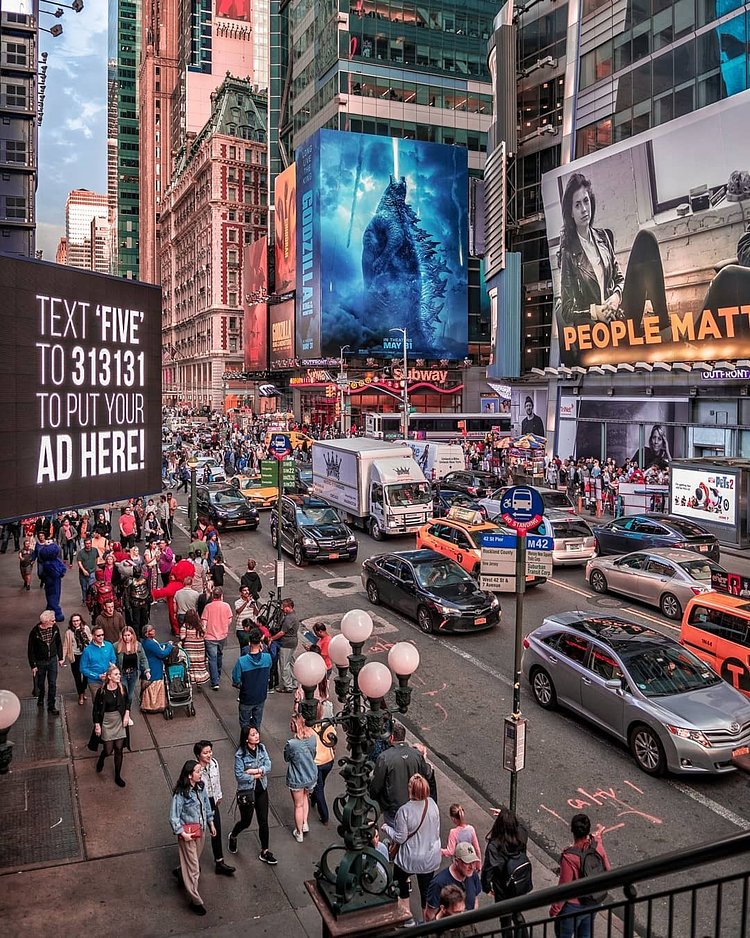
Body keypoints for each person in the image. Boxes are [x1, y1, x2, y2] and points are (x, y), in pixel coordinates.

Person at [557, 172, 667, 359]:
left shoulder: (603, 237)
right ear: (570, 212)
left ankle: (666, 327)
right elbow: (567, 310)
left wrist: (616, 297)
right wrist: (596, 312)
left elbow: (619, 279)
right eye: (577, 205)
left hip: (619, 317)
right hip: (596, 330)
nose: (584, 209)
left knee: (645, 238)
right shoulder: (568, 251)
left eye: (586, 201)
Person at [382, 773, 441, 922]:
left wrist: (386, 829)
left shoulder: (405, 811)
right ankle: (427, 923)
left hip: (410, 857)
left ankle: (406, 918)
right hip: (429, 857)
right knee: (426, 892)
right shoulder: (432, 805)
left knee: (400, 885)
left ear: (411, 790)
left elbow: (400, 837)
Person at [550, 813, 611, 938]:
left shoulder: (569, 857)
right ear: (588, 830)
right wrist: (598, 839)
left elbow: (564, 886)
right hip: (593, 901)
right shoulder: (597, 847)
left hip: (573, 906)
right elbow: (608, 869)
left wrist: (555, 909)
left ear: (572, 830)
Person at [169, 760, 216, 916]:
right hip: (188, 834)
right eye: (197, 771)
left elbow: (206, 807)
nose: (200, 773)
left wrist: (211, 824)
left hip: (200, 831)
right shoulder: (181, 793)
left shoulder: (201, 787)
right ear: (189, 775)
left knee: (193, 860)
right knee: (194, 868)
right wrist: (183, 834)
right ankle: (195, 901)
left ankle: (181, 871)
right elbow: (174, 817)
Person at [227, 725, 276, 865]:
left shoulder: (262, 748)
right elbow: (239, 776)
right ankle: (234, 835)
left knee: (263, 821)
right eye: (253, 734)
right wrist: (255, 776)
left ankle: (265, 851)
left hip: (262, 790)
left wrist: (254, 771)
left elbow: (268, 765)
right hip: (247, 792)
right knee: (246, 821)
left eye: (256, 733)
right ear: (246, 738)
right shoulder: (240, 754)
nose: (257, 736)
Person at [370, 721, 433, 826]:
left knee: (396, 833)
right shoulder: (416, 755)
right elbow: (425, 774)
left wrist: (374, 800)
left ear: (391, 738)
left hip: (394, 806)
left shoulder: (385, 757)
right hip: (415, 803)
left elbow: (376, 785)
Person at [481, 806, 531, 938]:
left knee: (505, 920)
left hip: (502, 886)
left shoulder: (495, 846)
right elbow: (520, 827)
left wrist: (486, 887)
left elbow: (488, 869)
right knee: (517, 913)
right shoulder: (521, 835)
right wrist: (507, 817)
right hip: (519, 882)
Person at [193, 740, 236, 876]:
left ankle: (219, 862)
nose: (209, 755)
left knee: (215, 830)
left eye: (210, 751)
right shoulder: (195, 769)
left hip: (212, 801)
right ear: (198, 755)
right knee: (197, 836)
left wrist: (219, 796)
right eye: (205, 753)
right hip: (199, 804)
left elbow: (216, 781)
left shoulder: (214, 764)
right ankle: (189, 866)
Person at [91, 663, 132, 787]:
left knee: (119, 749)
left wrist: (127, 714)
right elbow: (96, 709)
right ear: (109, 676)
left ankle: (118, 776)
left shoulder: (122, 688)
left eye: (119, 674)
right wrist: (97, 724)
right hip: (107, 722)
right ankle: (102, 758)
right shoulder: (102, 692)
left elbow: (128, 702)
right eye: (116, 674)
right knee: (108, 750)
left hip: (119, 720)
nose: (119, 676)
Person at [425, 841, 483, 921]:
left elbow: (475, 900)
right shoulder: (438, 883)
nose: (472, 867)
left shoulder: (473, 875)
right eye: (467, 863)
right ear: (456, 861)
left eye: (473, 862)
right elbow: (429, 914)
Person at [283, 712, 317, 843]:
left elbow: (286, 757)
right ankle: (304, 823)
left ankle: (299, 832)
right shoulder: (312, 738)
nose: (290, 725)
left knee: (298, 805)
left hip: (297, 777)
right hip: (310, 775)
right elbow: (314, 754)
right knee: (305, 798)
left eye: (292, 723)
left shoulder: (292, 743)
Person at [231, 627, 272, 732]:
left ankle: (246, 741)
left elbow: (235, 680)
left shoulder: (242, 661)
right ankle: (256, 737)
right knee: (257, 722)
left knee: (244, 723)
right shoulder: (267, 658)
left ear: (249, 642)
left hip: (246, 697)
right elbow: (269, 671)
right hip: (261, 696)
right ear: (260, 641)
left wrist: (241, 685)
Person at [28, 609, 64, 715]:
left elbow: (58, 643)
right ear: (46, 622)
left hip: (52, 660)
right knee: (41, 684)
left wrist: (60, 657)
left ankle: (51, 705)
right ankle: (40, 697)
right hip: (40, 662)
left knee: (52, 683)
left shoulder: (55, 629)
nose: (55, 622)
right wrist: (33, 665)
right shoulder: (35, 632)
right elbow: (31, 650)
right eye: (52, 621)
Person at [310, 697, 337, 825]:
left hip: (317, 762)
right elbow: (333, 742)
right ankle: (314, 799)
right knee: (321, 783)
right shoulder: (328, 725)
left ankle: (324, 815)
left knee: (319, 787)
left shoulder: (309, 730)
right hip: (329, 760)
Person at [201, 586, 233, 690]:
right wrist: (224, 627)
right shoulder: (226, 606)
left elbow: (204, 622)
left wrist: (204, 631)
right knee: (219, 654)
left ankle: (214, 681)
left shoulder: (208, 607)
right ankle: (218, 674)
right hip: (222, 635)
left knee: (212, 658)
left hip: (210, 636)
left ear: (213, 595)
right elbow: (229, 620)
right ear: (221, 596)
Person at [62, 612, 92, 706]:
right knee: (77, 677)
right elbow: (66, 646)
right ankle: (81, 695)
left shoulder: (86, 628)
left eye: (77, 620)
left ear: (80, 621)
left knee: (86, 675)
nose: (76, 623)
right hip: (75, 656)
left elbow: (91, 639)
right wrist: (62, 658)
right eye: (74, 621)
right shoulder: (69, 632)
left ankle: (83, 690)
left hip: (85, 654)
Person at [115, 626, 150, 705]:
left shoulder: (138, 645)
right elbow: (113, 660)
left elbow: (143, 659)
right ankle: (123, 712)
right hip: (122, 674)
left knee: (130, 696)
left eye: (128, 635)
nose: (127, 638)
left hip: (133, 674)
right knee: (124, 694)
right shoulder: (116, 646)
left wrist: (147, 670)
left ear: (132, 635)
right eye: (125, 635)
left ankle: (128, 712)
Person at [275, 598, 300, 693]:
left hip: (286, 643)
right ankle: (294, 682)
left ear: (289, 607)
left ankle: (287, 685)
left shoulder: (289, 618)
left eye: (284, 607)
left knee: (284, 664)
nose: (282, 608)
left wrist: (272, 638)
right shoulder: (293, 615)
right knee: (291, 662)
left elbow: (282, 632)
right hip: (293, 641)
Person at [180, 609, 211, 687]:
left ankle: (191, 680)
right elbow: (205, 635)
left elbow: (182, 636)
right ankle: (199, 682)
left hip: (189, 649)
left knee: (191, 665)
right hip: (200, 649)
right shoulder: (201, 625)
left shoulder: (185, 626)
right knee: (199, 664)